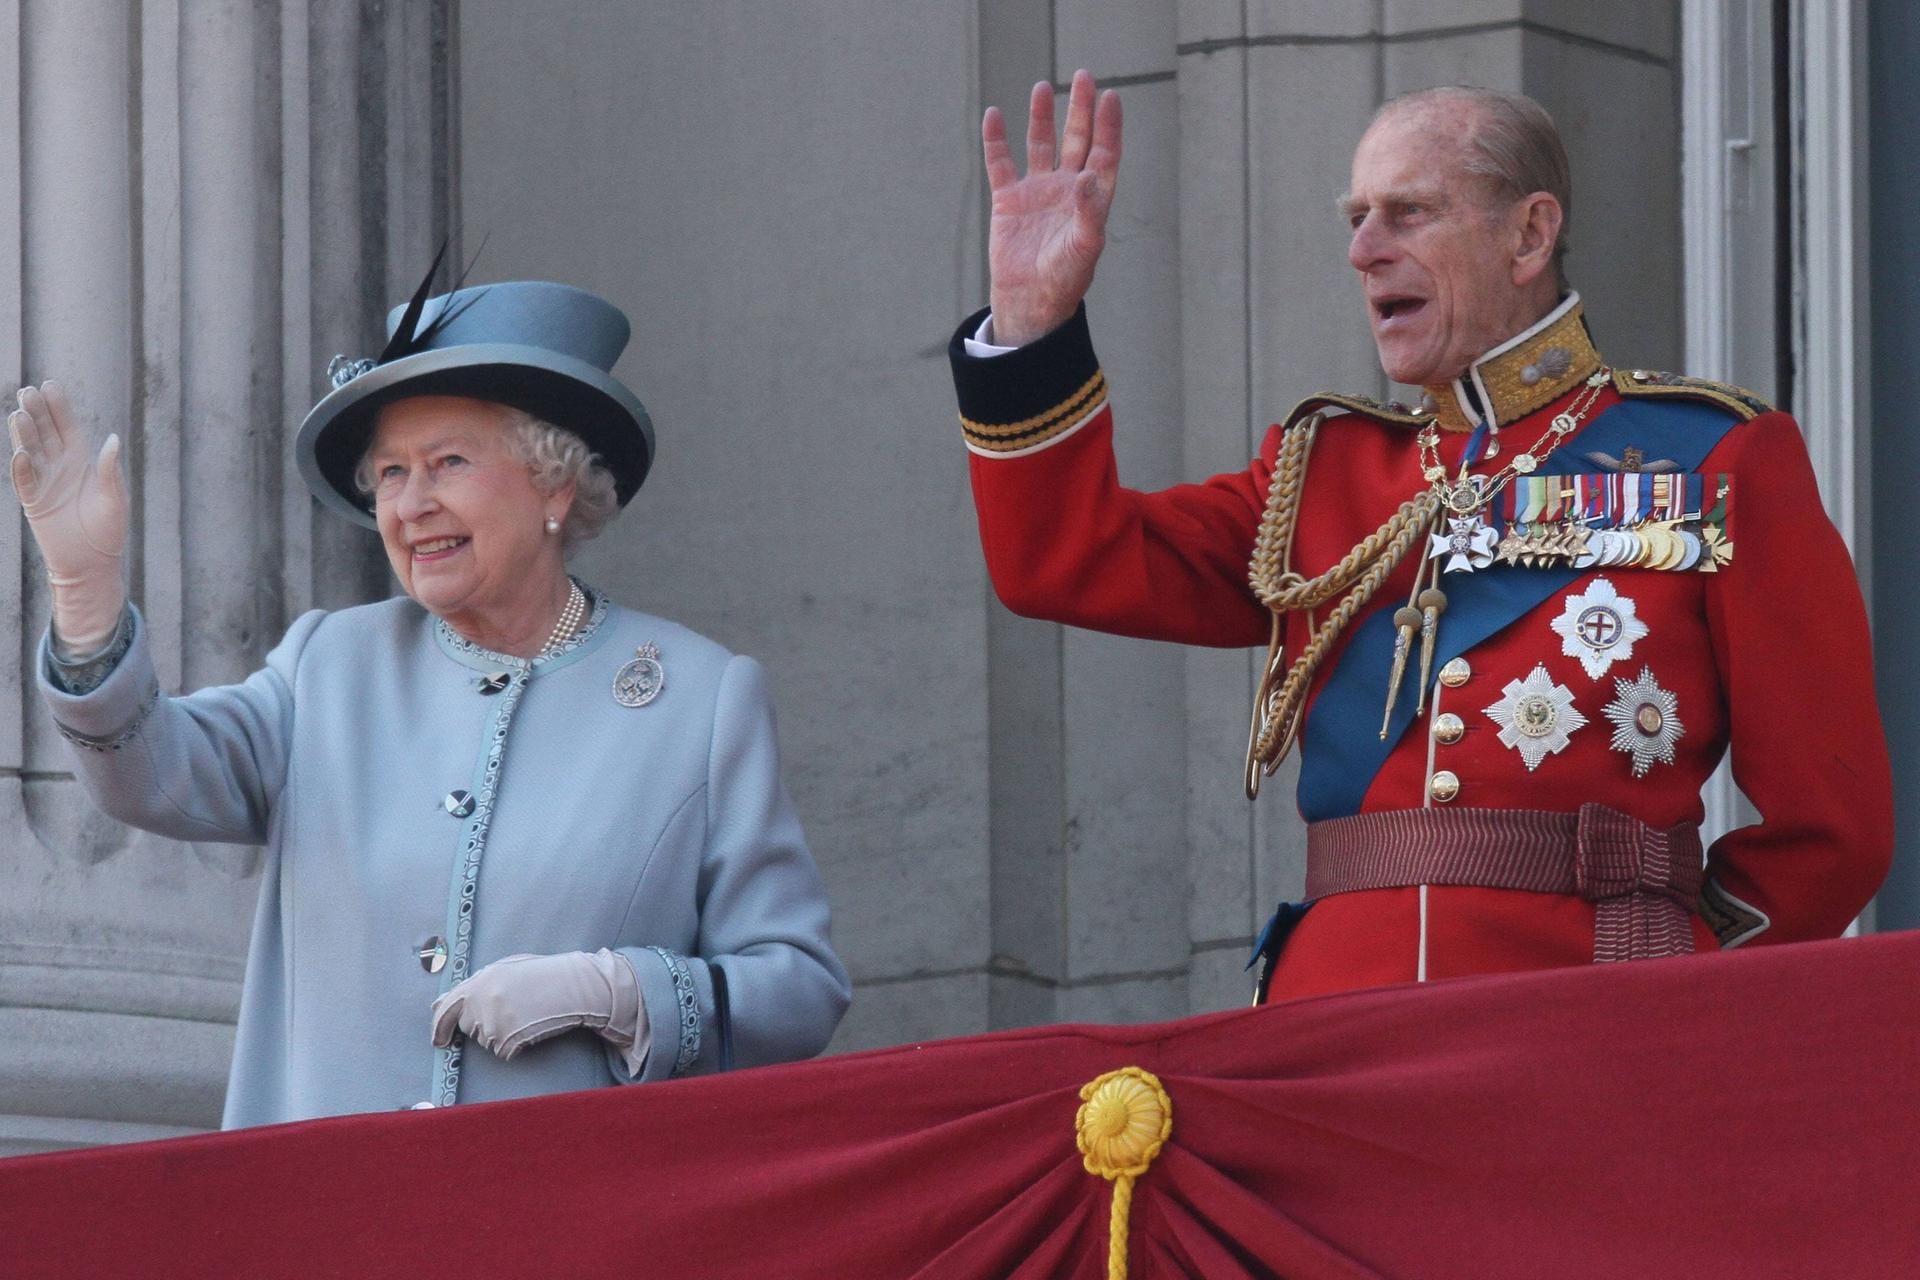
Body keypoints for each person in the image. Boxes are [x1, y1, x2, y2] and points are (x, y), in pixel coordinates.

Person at [948, 74, 1892, 1002]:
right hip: (1333, 1023)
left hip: (1590, 1024)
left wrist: (1679, 979)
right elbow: (1067, 561)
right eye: (1355, 216)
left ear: (1529, 234)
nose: (1363, 251)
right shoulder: (1322, 475)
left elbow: (1830, 827)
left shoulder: (1713, 456)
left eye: (1407, 213)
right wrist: (1034, 323)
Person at [8, 277, 850, 1125]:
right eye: (390, 474)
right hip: (332, 1224)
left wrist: (623, 992)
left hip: (571, 1228)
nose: (411, 506)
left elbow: (799, 989)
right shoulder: (328, 667)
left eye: (449, 463)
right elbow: (150, 776)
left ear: (554, 485)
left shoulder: (699, 698)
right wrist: (86, 597)